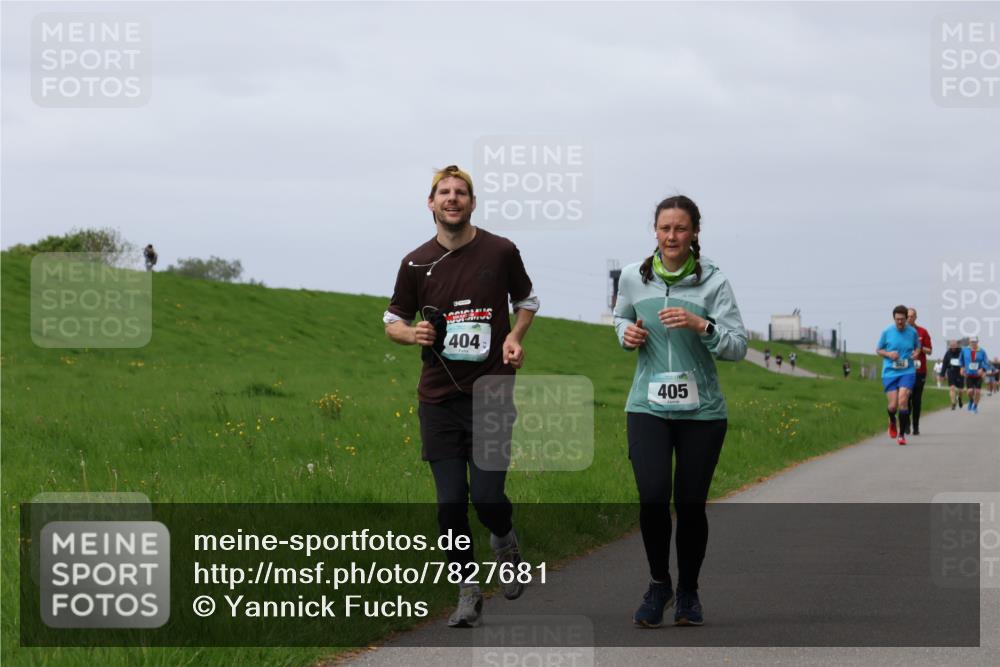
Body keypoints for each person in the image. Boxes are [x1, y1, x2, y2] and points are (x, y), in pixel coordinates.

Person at [384, 165, 539, 627]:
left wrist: (514, 337)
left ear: (472, 203)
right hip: (438, 399)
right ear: (430, 203)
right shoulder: (414, 263)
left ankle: (505, 541)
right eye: (444, 193)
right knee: (450, 503)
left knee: (488, 497)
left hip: (491, 392)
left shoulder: (500, 250)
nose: (452, 199)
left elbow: (527, 301)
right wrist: (411, 335)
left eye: (461, 192)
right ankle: (467, 589)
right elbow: (391, 320)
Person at [614, 194, 747, 628]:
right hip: (647, 406)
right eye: (665, 228)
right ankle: (659, 584)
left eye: (681, 229)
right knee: (653, 496)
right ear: (655, 231)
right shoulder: (634, 277)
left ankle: (688, 591)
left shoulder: (714, 283)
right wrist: (627, 334)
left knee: (690, 505)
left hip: (702, 412)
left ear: (695, 234)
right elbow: (619, 318)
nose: (672, 236)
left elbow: (737, 345)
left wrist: (701, 325)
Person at [876, 305, 920, 445]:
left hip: (907, 371)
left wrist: (916, 353)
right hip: (890, 372)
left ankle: (901, 435)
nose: (900, 322)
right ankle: (892, 421)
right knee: (893, 406)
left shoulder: (912, 332)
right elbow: (878, 349)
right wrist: (889, 354)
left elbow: (917, 347)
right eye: (897, 319)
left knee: (903, 400)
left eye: (902, 319)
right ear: (893, 319)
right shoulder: (887, 332)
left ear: (907, 318)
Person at [905, 308, 933, 435]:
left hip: (919, 370)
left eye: (912, 316)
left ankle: (916, 426)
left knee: (916, 400)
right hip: (905, 370)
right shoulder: (901, 332)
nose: (909, 318)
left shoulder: (923, 331)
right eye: (908, 316)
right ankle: (906, 424)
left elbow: (930, 351)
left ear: (916, 317)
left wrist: (921, 348)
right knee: (906, 398)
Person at [959, 337, 988, 414]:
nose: (973, 343)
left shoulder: (982, 351)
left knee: (978, 392)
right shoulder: (964, 350)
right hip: (969, 374)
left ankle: (975, 407)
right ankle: (971, 400)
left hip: (978, 375)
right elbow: (961, 360)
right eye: (972, 342)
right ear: (969, 342)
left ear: (977, 342)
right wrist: (962, 368)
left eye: (975, 342)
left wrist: (982, 369)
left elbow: (986, 362)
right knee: (970, 391)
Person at [941, 340, 965, 410]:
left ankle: (959, 398)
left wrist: (965, 369)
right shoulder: (948, 353)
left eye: (954, 346)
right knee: (952, 388)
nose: (953, 348)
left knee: (961, 390)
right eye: (952, 346)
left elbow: (965, 361)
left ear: (957, 346)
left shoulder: (961, 352)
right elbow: (944, 364)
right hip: (951, 371)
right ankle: (953, 403)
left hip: (960, 372)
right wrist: (942, 374)